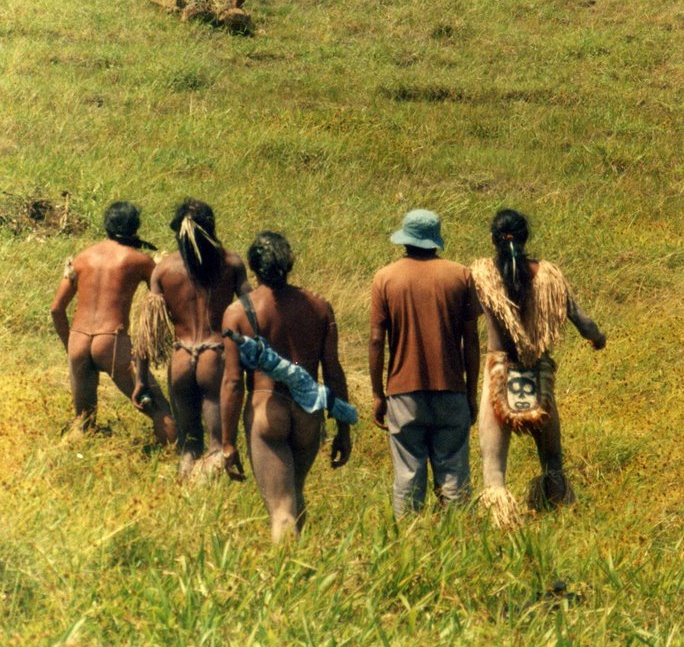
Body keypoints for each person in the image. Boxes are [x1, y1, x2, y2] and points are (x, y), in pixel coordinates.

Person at [472, 209, 606, 528]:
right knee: (552, 460)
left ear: (494, 239)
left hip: (497, 372)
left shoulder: (482, 275)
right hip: (538, 373)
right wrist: (597, 337)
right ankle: (557, 509)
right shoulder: (547, 276)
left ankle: (499, 520)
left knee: (493, 467)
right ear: (525, 237)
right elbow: (581, 320)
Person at [221, 232, 352, 543]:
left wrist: (227, 442)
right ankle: (302, 570)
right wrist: (343, 430)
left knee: (281, 509)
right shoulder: (320, 306)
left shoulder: (238, 312)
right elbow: (333, 372)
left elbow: (233, 381)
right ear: (288, 263)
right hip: (309, 413)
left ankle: (288, 580)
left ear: (253, 266)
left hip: (268, 408)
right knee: (294, 493)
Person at [369, 209, 480, 517]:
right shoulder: (461, 275)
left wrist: (378, 394)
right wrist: (471, 393)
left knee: (408, 474)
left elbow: (377, 341)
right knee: (455, 474)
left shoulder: (385, 278)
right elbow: (471, 341)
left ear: (405, 239)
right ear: (435, 240)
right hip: (451, 389)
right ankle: (460, 540)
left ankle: (411, 541)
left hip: (404, 392)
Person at [133, 199, 249, 480]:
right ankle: (206, 500)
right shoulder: (231, 263)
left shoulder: (164, 270)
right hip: (215, 355)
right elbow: (252, 310)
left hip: (181, 357)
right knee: (217, 445)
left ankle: (186, 494)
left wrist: (141, 380)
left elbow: (147, 334)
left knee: (188, 446)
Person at [50, 202, 176, 443]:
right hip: (112, 341)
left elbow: (56, 309)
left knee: (84, 419)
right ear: (135, 227)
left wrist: (70, 346)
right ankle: (175, 464)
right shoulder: (139, 260)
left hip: (78, 338)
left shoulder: (83, 257)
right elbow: (162, 301)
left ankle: (70, 463)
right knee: (160, 409)